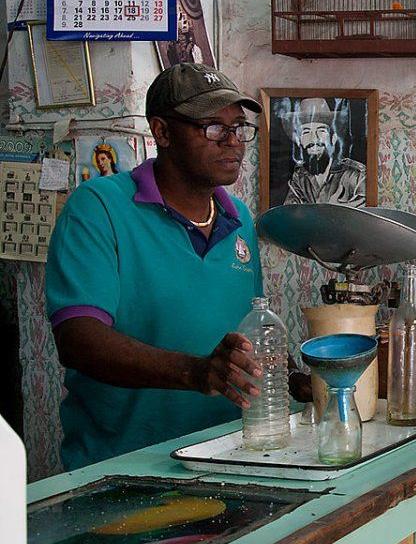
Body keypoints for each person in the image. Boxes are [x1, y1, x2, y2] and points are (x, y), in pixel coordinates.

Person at [45, 63, 306, 470]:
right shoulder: (98, 208)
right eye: (213, 128)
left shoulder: (238, 219)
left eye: (239, 128)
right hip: (125, 468)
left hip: (225, 457)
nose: (233, 142)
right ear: (162, 132)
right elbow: (78, 340)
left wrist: (299, 380)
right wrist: (196, 373)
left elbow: (248, 334)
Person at [281, 97, 367, 208]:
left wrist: (332, 210)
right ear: (299, 140)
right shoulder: (300, 177)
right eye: (306, 132)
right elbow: (289, 214)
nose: (314, 139)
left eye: (321, 131)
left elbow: (366, 214)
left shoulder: (356, 176)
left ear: (333, 138)